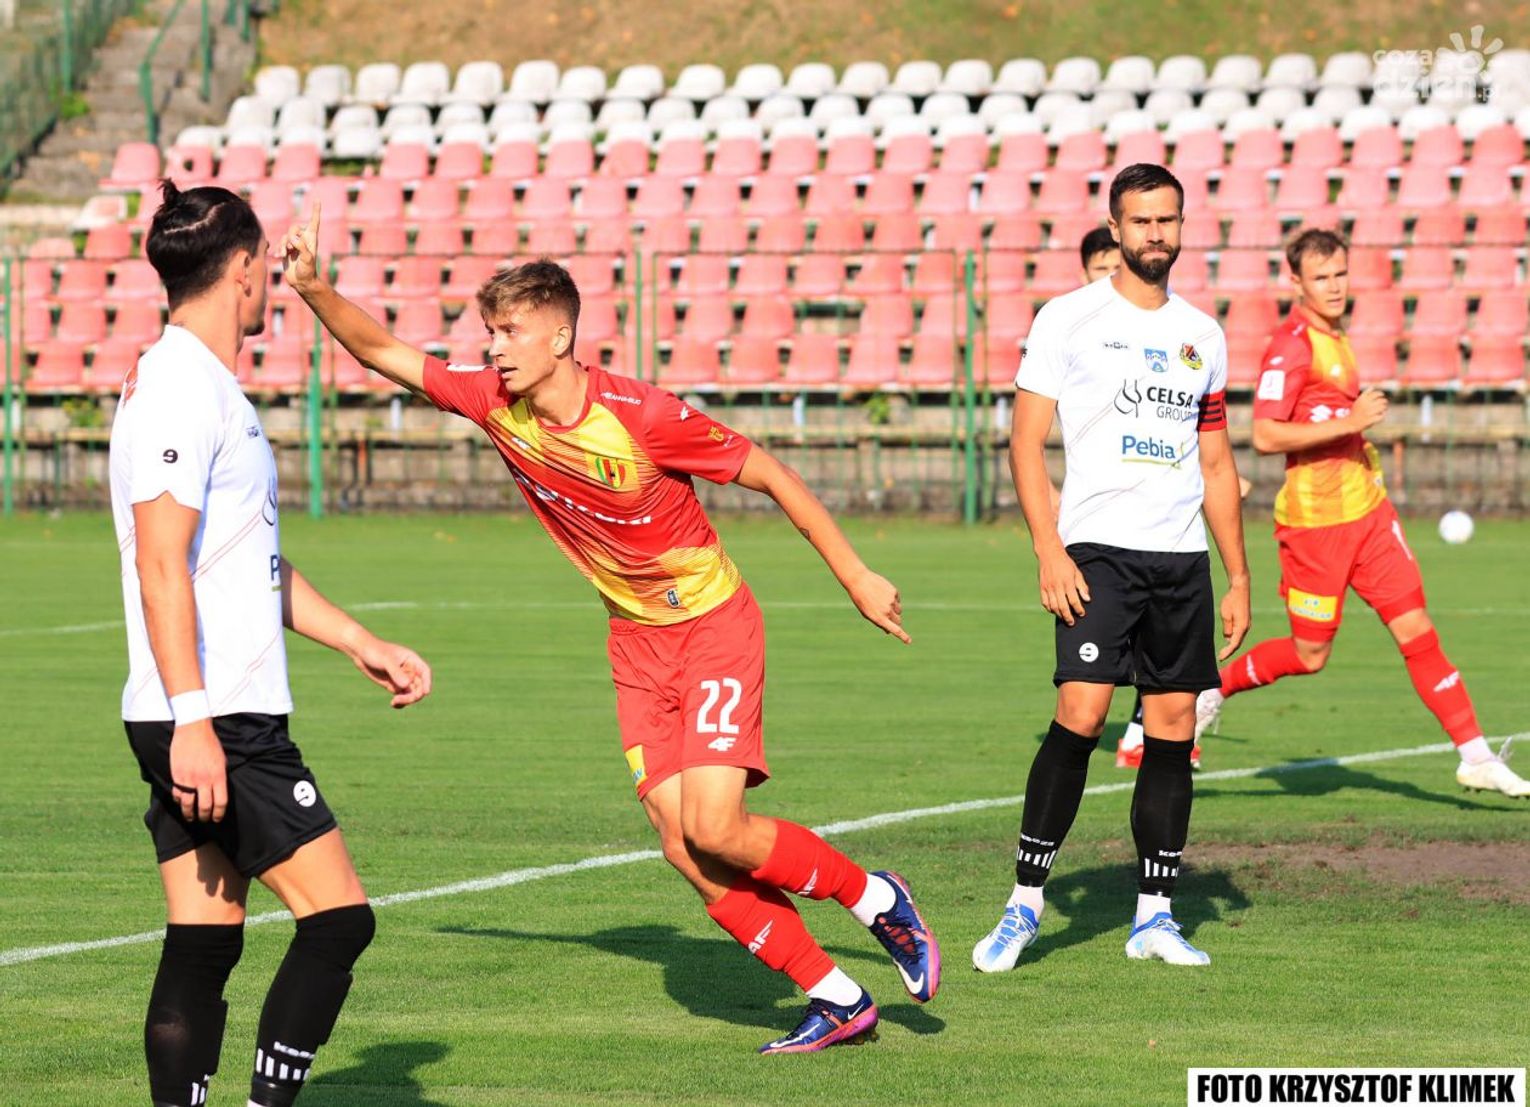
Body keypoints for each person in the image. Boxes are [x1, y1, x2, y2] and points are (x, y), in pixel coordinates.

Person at [280, 209, 940, 1054]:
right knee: (683, 847)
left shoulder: (641, 415)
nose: (494, 349)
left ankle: (876, 898)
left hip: (712, 626)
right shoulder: (494, 403)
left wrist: (855, 574)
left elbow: (770, 472)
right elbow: (382, 351)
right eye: (490, 333)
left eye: (510, 332)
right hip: (635, 645)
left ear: (560, 336)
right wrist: (314, 288)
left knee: (716, 827)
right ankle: (837, 996)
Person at [110, 182, 433, 1107]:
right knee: (339, 921)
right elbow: (162, 565)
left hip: (198, 711)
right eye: (263, 267)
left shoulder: (204, 384)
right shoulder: (178, 386)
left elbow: (248, 560)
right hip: (215, 715)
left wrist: (356, 639)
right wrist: (194, 720)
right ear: (245, 268)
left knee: (204, 940)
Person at [973, 163, 1251, 975]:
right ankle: (1024, 903)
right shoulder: (1068, 318)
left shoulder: (1204, 335)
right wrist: (1047, 546)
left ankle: (1155, 916)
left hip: (1181, 558)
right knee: (1083, 711)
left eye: (1169, 220)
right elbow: (1026, 442)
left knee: (1173, 728)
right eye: (1142, 221)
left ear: (1182, 226)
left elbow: (1216, 460)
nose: (1156, 234)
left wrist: (1238, 575)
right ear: (1117, 227)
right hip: (1097, 551)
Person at [1194, 228, 1529, 798]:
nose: (1334, 286)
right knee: (1310, 654)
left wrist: (1354, 436)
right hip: (1315, 526)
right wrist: (1352, 421)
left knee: (1417, 629)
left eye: (1340, 274)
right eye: (1321, 277)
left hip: (1369, 514)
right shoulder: (1291, 347)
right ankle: (1213, 690)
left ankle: (1475, 755)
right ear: (1295, 282)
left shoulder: (1337, 335)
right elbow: (1266, 434)